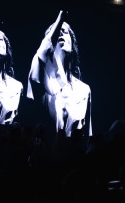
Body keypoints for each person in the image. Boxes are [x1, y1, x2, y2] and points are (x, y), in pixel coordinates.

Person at [28, 10, 92, 138]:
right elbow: (41, 54)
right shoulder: (44, 81)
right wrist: (60, 18)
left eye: (66, 31)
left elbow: (88, 133)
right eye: (58, 31)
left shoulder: (84, 89)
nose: (61, 32)